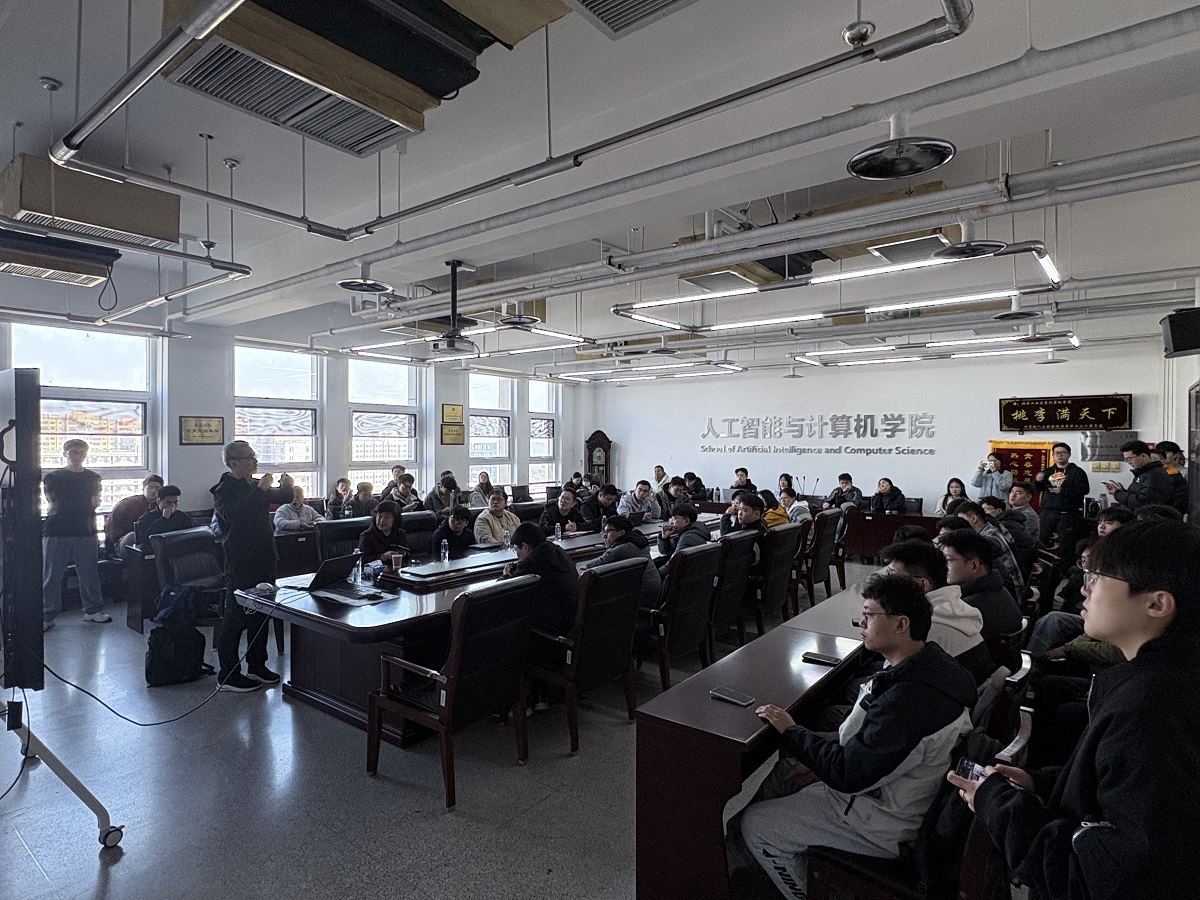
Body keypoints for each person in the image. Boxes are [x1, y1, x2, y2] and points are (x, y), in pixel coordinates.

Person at [948, 520, 1200, 900]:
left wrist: (997, 803)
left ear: (1156, 603)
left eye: (1097, 578)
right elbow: (1119, 791)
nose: (1085, 588)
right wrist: (1041, 783)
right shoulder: (1160, 678)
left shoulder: (1151, 713)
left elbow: (1095, 881)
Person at [727, 574, 975, 899]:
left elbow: (849, 773)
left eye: (869, 615)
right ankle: (739, 871)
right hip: (881, 789)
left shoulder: (909, 701)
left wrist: (791, 730)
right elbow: (868, 749)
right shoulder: (929, 665)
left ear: (901, 624)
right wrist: (816, 763)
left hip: (880, 822)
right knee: (785, 773)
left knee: (757, 825)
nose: (861, 622)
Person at [210, 440, 293, 692]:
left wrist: (286, 486)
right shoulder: (223, 490)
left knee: (261, 613)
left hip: (264, 558)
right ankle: (228, 674)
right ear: (233, 463)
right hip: (241, 561)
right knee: (236, 617)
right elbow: (236, 515)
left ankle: (257, 665)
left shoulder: (250, 484)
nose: (255, 460)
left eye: (254, 455)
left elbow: (283, 497)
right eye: (249, 457)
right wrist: (261, 489)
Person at [880, 539, 997, 684]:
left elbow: (893, 678)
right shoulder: (955, 608)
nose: (886, 583)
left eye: (894, 576)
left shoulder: (924, 626)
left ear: (922, 585)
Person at [41, 439, 107, 631]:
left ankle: (93, 610)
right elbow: (55, 503)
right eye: (73, 452)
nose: (77, 456)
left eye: (81, 453)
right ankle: (46, 615)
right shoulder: (53, 477)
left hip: (85, 529)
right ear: (65, 454)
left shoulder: (93, 477)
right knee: (52, 575)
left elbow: (94, 502)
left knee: (89, 573)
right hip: (57, 531)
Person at [939, 527, 1022, 645]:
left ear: (974, 566)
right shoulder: (997, 589)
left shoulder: (968, 609)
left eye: (948, 560)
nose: (942, 566)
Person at [501, 521, 579, 634]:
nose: (516, 554)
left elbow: (506, 592)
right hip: (571, 619)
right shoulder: (558, 551)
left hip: (551, 628)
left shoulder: (531, 563)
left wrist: (506, 575)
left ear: (525, 547)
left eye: (516, 549)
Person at [1035, 441, 1090, 572]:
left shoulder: (1077, 472)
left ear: (1069, 454)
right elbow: (1038, 488)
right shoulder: (1048, 471)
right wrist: (1038, 480)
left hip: (1067, 513)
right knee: (1042, 540)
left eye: (1063, 453)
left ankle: (1063, 571)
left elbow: (1084, 490)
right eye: (1056, 453)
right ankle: (1043, 570)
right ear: (1053, 455)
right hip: (1048, 512)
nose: (1059, 455)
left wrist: (1063, 491)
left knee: (1066, 543)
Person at [953, 501, 1025, 599]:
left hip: (1011, 593)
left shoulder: (987, 539)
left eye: (962, 520)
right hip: (1009, 588)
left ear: (974, 518)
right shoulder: (990, 529)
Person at [585, 515, 661, 606]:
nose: (604, 536)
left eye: (608, 531)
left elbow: (590, 566)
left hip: (641, 598)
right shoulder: (638, 542)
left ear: (621, 533)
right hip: (654, 593)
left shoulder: (621, 550)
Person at [1106, 439, 1174, 512]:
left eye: (1130, 459)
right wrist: (1122, 491)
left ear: (1143, 456)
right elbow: (1137, 494)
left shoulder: (1154, 475)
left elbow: (1141, 501)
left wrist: (1118, 494)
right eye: (1126, 460)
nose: (1129, 462)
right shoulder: (1142, 473)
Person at [106, 474, 164, 553]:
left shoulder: (163, 506)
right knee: (132, 536)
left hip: (151, 541)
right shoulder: (127, 504)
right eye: (150, 487)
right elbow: (112, 528)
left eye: (157, 488)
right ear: (143, 489)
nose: (154, 491)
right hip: (126, 541)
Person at [656, 502, 712, 574]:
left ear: (686, 521)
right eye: (671, 519)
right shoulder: (693, 533)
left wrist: (656, 576)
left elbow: (672, 565)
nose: (671, 523)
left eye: (674, 519)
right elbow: (666, 552)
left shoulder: (688, 539)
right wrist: (664, 538)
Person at [356, 500, 408, 566]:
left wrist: (404, 554)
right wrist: (383, 556)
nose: (382, 520)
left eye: (386, 517)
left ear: (395, 519)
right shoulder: (366, 536)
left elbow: (408, 554)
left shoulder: (401, 533)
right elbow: (362, 560)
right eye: (379, 516)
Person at [1149, 440, 1188, 513]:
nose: (1163, 455)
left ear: (1176, 454)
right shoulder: (1154, 472)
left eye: (1166, 453)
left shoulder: (1185, 472)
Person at [1002, 481, 1041, 546]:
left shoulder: (1028, 516)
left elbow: (1020, 538)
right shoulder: (1010, 510)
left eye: (1018, 493)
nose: (1013, 495)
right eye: (1012, 492)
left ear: (1028, 497)